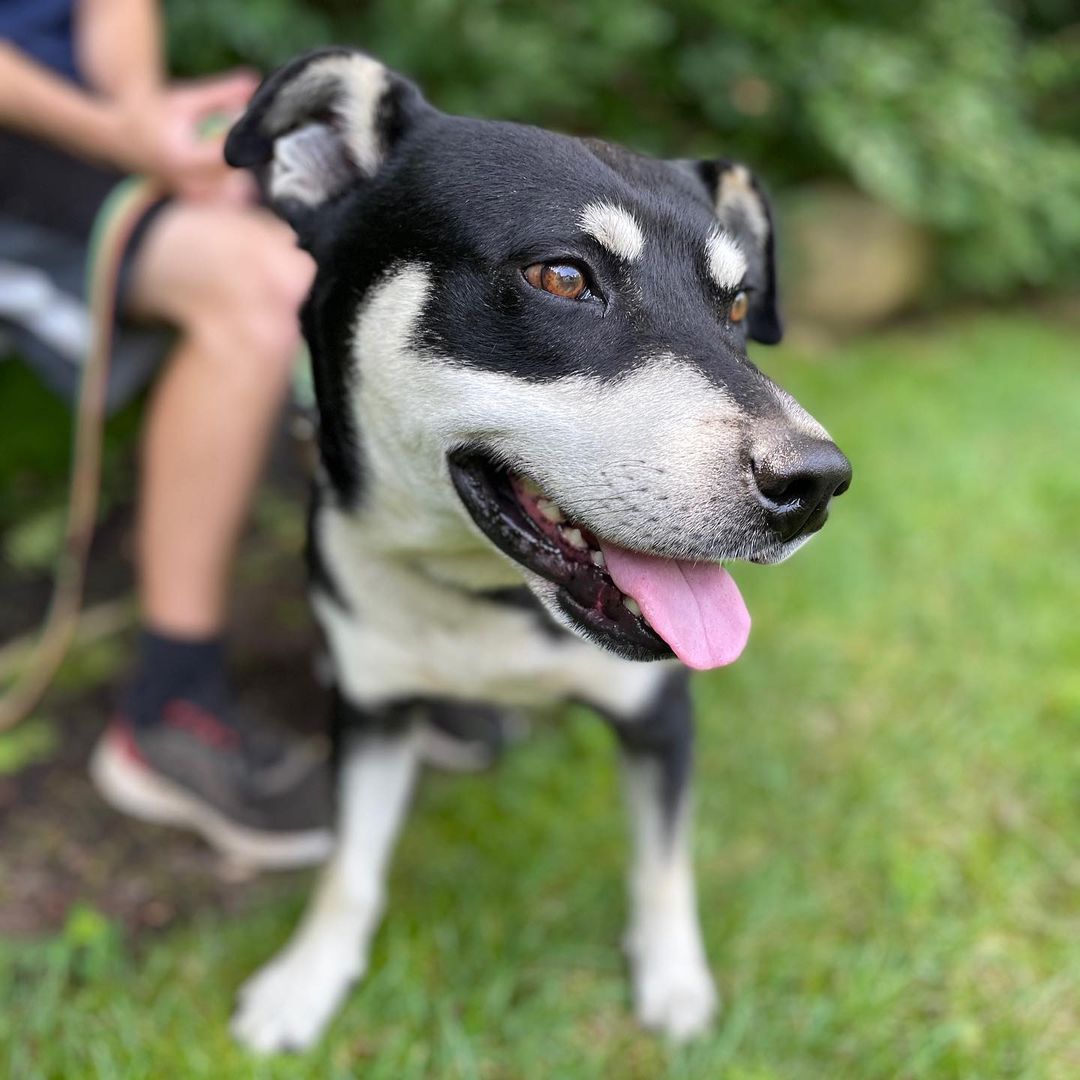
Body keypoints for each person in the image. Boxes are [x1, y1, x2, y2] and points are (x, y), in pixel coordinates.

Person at [0, 0, 333, 867]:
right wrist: (122, 137)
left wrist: (155, 126)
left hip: (76, 128)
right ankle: (168, 706)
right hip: (32, 135)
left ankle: (395, 636)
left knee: (353, 196)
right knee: (260, 286)